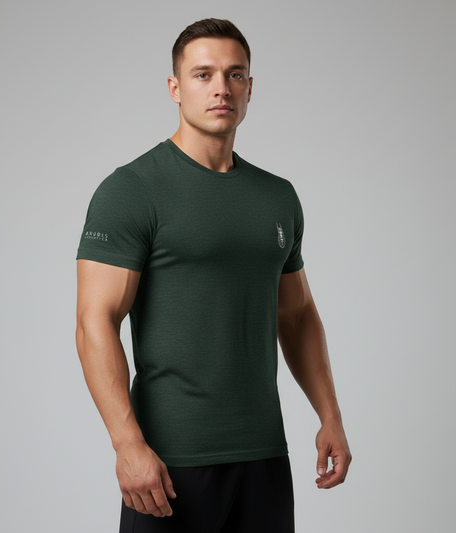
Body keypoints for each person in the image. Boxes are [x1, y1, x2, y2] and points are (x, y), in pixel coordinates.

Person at [76, 18, 351, 533]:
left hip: (264, 456)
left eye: (235, 74)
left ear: (250, 87)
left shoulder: (277, 196)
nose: (221, 87)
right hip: (169, 463)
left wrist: (329, 415)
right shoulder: (131, 190)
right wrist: (127, 443)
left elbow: (297, 316)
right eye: (203, 74)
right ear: (175, 88)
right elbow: (96, 322)